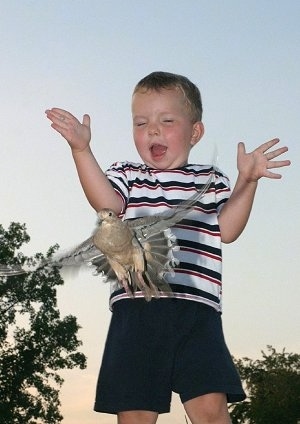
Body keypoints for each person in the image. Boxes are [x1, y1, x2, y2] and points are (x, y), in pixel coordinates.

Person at [45, 71, 290, 424]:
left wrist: (247, 182)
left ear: (195, 132)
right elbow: (107, 203)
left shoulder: (211, 181)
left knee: (211, 410)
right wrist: (82, 150)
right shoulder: (128, 174)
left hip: (198, 314)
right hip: (138, 310)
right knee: (136, 412)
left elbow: (227, 230)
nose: (153, 130)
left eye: (166, 121)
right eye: (141, 122)